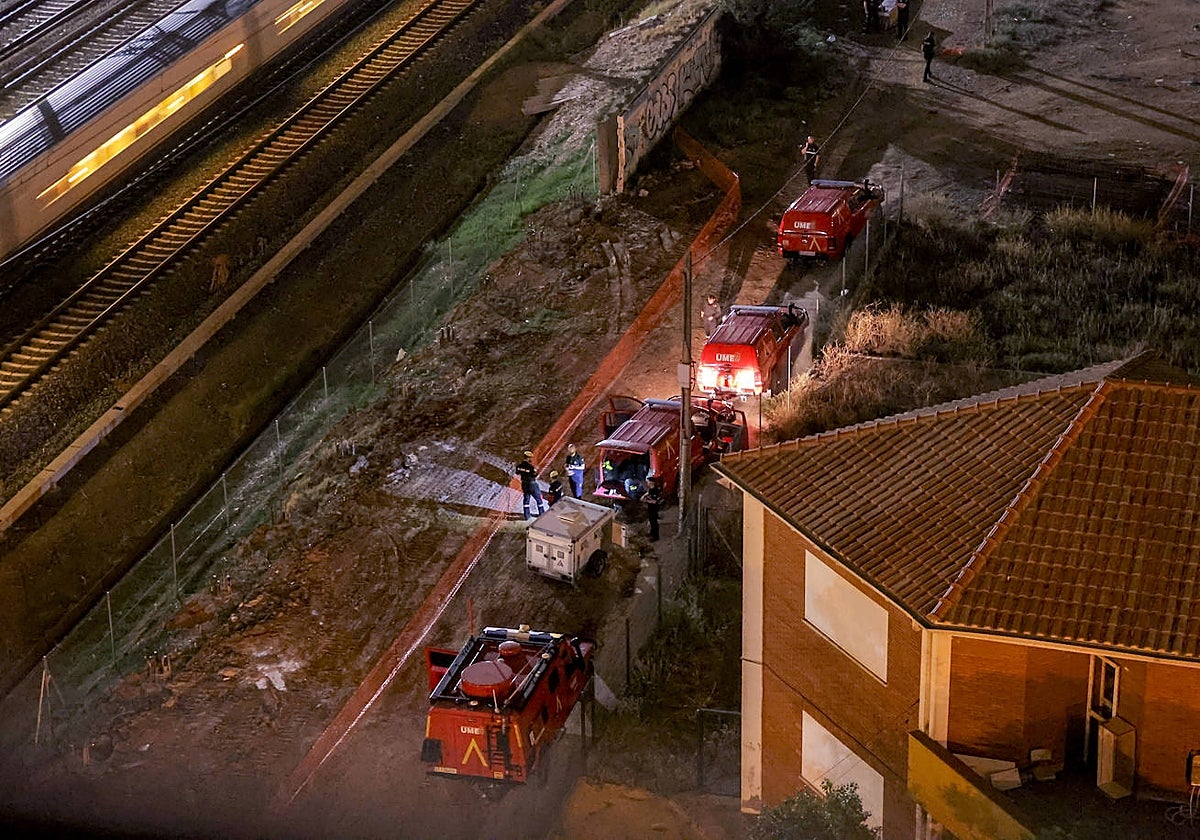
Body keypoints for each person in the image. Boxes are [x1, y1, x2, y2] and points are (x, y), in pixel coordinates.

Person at [515, 450, 547, 520]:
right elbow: (534, 475)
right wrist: (536, 471)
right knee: (539, 500)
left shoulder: (519, 466)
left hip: (524, 484)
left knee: (526, 500)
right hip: (532, 484)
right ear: (529, 458)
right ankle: (542, 514)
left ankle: (527, 515)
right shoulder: (531, 467)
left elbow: (517, 472)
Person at [644, 477, 663, 542]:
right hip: (650, 508)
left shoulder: (656, 490)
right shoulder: (650, 490)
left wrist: (646, 501)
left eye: (648, 482)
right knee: (651, 521)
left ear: (652, 482)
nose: (647, 483)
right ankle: (652, 533)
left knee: (654, 522)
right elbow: (647, 495)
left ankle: (655, 536)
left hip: (654, 508)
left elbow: (655, 501)